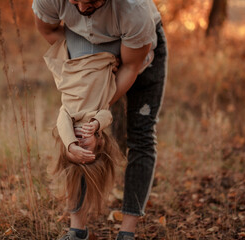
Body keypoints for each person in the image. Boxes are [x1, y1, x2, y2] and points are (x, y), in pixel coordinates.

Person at [33, 0, 168, 239]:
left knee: (141, 134)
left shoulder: (133, 10)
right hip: (85, 48)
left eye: (93, 1)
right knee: (76, 137)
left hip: (137, 56)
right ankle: (77, 229)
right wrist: (86, 70)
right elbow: (48, 29)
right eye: (76, 1)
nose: (84, 8)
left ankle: (127, 232)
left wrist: (93, 101)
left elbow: (130, 65)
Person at [44, 37, 122, 229]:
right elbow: (107, 115)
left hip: (75, 64)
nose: (79, 141)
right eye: (84, 146)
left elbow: (61, 122)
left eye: (74, 145)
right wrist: (96, 124)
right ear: (99, 141)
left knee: (48, 26)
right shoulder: (97, 118)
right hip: (100, 60)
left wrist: (69, 144)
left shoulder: (68, 117)